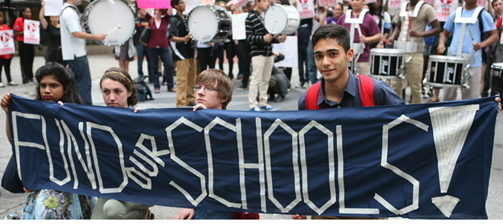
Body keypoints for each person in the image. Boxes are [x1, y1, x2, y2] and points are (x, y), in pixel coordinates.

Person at [293, 23, 404, 220]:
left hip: (369, 204)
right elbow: (301, 153)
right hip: (324, 205)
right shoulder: (308, 100)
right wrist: (299, 198)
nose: (325, 62)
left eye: (333, 54)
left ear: (350, 55)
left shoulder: (375, 91)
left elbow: (409, 136)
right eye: (319, 56)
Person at [2, 62, 94, 219]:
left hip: (70, 185)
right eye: (42, 85)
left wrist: (64, 116)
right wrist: (8, 113)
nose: (46, 90)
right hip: (43, 183)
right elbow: (17, 142)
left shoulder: (76, 114)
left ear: (66, 88)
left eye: (53, 85)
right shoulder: (33, 112)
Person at [173, 69, 259, 220]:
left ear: (224, 97)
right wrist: (144, 117)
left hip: (223, 202)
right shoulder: (189, 122)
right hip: (200, 201)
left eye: (209, 88)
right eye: (198, 87)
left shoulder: (234, 128)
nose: (200, 92)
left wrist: (209, 120)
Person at [90, 67, 154, 219]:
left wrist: (150, 118)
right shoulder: (96, 120)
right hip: (112, 188)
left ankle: (143, 214)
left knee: (112, 210)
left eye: (117, 91)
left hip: (141, 188)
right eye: (106, 92)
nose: (111, 97)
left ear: (129, 92)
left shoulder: (141, 117)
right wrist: (59, 112)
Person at [437, 0, 498, 101]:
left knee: (470, 99)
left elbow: (495, 35)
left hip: (472, 62)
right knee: (447, 97)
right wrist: (441, 43)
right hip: (453, 61)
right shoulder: (455, 13)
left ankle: (469, 117)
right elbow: (445, 33)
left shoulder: (482, 14)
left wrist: (481, 45)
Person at [386, 0, 440, 104]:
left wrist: (419, 34)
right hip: (399, 51)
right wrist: (392, 37)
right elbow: (398, 25)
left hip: (415, 52)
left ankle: (416, 114)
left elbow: (437, 28)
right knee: (395, 85)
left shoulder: (427, 8)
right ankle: (397, 111)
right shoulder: (403, 6)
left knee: (415, 87)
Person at [60, 0, 106, 105]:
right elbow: (76, 33)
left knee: (76, 84)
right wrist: (96, 36)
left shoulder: (68, 11)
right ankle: (86, 109)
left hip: (74, 53)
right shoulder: (69, 12)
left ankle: (79, 107)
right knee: (84, 84)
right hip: (76, 54)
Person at [246, 0, 287, 111]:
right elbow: (249, 37)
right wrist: (262, 38)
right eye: (264, 1)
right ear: (257, 2)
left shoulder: (265, 16)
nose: (267, 3)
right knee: (256, 79)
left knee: (266, 79)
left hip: (268, 52)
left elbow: (270, 37)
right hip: (257, 53)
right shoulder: (250, 17)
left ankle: (263, 102)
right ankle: (253, 105)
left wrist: (279, 40)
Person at [336, 0, 382, 76]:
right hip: (344, 56)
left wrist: (367, 39)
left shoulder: (368, 18)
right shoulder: (343, 17)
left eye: (357, 0)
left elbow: (378, 35)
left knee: (362, 83)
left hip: (362, 57)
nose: (355, 2)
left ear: (363, 1)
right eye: (352, 0)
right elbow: (336, 32)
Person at [139, 8, 176, 93]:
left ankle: (170, 85)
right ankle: (156, 86)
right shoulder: (150, 19)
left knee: (169, 65)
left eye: (159, 10)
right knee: (154, 66)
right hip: (152, 46)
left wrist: (169, 4)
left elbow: (170, 10)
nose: (157, 11)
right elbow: (144, 11)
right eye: (156, 10)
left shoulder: (165, 19)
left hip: (164, 46)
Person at [169, 0, 197, 108]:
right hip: (181, 53)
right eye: (181, 3)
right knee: (182, 79)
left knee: (192, 78)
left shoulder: (186, 18)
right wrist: (183, 39)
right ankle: (180, 102)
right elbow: (170, 36)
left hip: (190, 51)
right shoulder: (174, 20)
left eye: (183, 3)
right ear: (175, 6)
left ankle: (190, 98)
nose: (183, 5)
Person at [39, 0, 65, 66]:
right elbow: (41, 18)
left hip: (62, 50)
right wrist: (43, 7)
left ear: (58, 18)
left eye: (56, 17)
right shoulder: (48, 26)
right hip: (52, 51)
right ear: (50, 18)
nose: (54, 19)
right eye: (52, 17)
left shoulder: (63, 26)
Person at [13, 7, 35, 84]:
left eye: (30, 12)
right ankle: (25, 78)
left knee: (30, 60)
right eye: (27, 12)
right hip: (23, 42)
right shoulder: (19, 20)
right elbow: (15, 32)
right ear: (23, 13)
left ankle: (30, 77)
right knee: (24, 61)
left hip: (30, 42)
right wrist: (25, 32)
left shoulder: (31, 21)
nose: (29, 14)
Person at [237, 0, 255, 89]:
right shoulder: (241, 17)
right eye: (251, 7)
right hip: (244, 43)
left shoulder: (256, 17)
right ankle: (245, 82)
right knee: (245, 63)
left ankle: (252, 82)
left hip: (254, 43)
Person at [0, 11, 17, 87]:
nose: (1, 19)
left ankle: (9, 80)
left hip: (6, 50)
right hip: (0, 51)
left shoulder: (6, 26)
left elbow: (9, 36)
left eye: (2, 17)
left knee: (7, 66)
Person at [133, 10, 150, 81]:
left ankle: (151, 75)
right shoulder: (137, 20)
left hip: (149, 43)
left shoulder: (149, 20)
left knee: (150, 60)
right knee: (140, 60)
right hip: (139, 43)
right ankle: (140, 74)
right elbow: (139, 30)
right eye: (143, 9)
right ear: (139, 11)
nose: (144, 10)